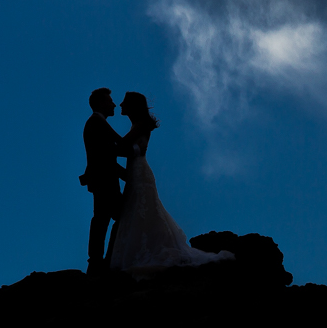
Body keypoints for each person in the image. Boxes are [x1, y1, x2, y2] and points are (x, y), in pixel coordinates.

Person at [109, 92, 229, 276]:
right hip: (136, 172)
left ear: (132, 105)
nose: (120, 104)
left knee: (142, 211)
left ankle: (140, 251)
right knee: (139, 211)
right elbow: (129, 148)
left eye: (124, 102)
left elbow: (124, 146)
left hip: (140, 173)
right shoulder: (138, 125)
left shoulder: (140, 125)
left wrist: (107, 139)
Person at [81, 88, 128, 274]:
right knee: (111, 218)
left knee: (106, 218)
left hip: (104, 179)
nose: (114, 104)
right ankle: (101, 261)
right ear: (101, 103)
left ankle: (101, 260)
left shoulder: (97, 122)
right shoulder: (96, 122)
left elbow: (113, 149)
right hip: (104, 180)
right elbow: (113, 151)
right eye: (110, 101)